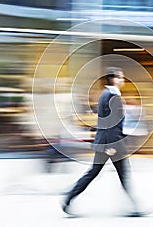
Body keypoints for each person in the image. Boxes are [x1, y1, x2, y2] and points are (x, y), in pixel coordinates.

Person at [61, 67, 144, 217]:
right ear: (113, 79)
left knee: (96, 172)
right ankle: (134, 208)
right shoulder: (112, 96)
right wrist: (112, 146)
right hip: (111, 143)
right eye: (120, 77)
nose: (123, 80)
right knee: (119, 174)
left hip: (107, 142)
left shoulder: (108, 95)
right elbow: (111, 124)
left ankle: (68, 199)